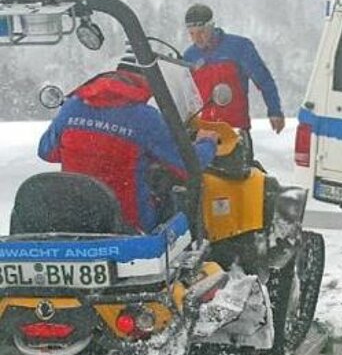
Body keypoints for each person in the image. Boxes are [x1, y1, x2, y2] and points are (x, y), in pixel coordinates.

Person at [38, 62, 218, 232]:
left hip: (77, 218)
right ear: (145, 81)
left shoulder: (73, 107)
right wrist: (207, 143)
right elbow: (187, 166)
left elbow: (47, 152)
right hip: (128, 222)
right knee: (177, 200)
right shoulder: (144, 118)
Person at [182, 3, 285, 139]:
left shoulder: (239, 47)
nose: (197, 38)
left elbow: (264, 80)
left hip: (235, 130)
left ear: (211, 26)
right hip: (204, 132)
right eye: (192, 34)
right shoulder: (190, 56)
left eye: (201, 32)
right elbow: (185, 95)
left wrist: (274, 111)